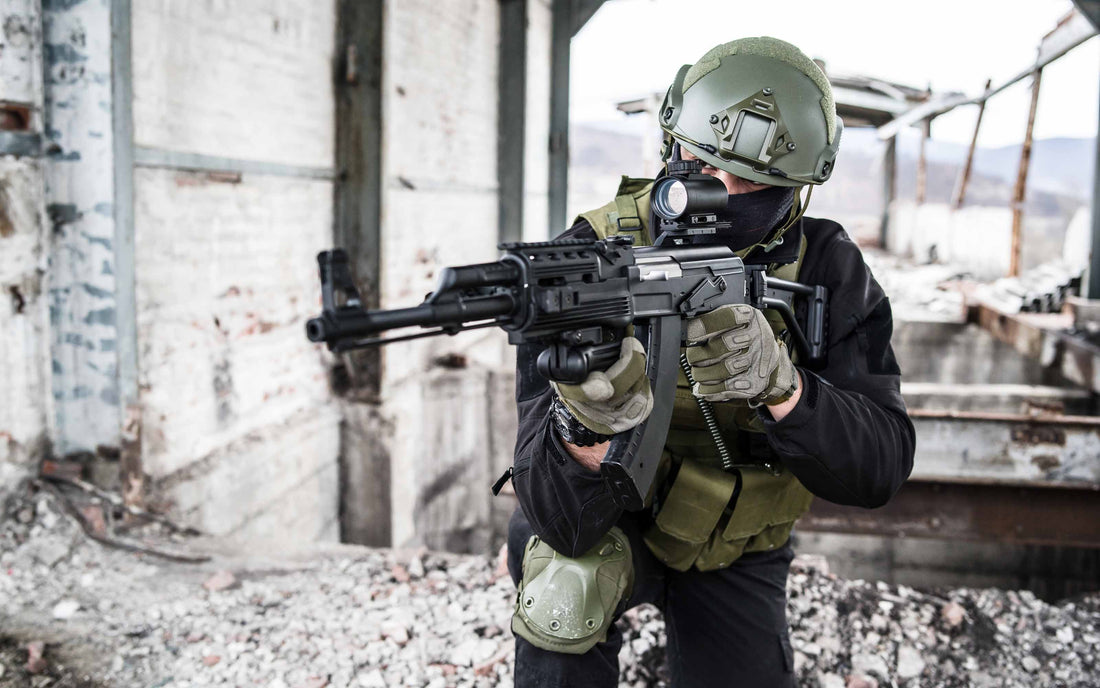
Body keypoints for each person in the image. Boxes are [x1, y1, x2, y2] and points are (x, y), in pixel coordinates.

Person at [504, 36, 916, 687]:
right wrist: (588, 425)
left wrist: (785, 390)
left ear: (796, 190)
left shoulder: (828, 268)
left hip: (737, 544)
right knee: (562, 593)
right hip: (612, 524)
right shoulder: (586, 259)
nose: (717, 193)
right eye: (696, 163)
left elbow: (880, 469)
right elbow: (556, 514)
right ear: (671, 146)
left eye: (751, 181)